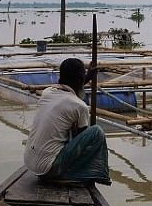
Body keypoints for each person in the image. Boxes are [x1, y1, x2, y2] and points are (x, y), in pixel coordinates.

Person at [23, 57, 111, 185]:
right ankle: (93, 174)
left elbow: (72, 89)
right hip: (48, 169)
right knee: (96, 132)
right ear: (80, 80)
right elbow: (80, 143)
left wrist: (87, 77)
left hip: (30, 162)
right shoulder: (79, 106)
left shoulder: (47, 92)